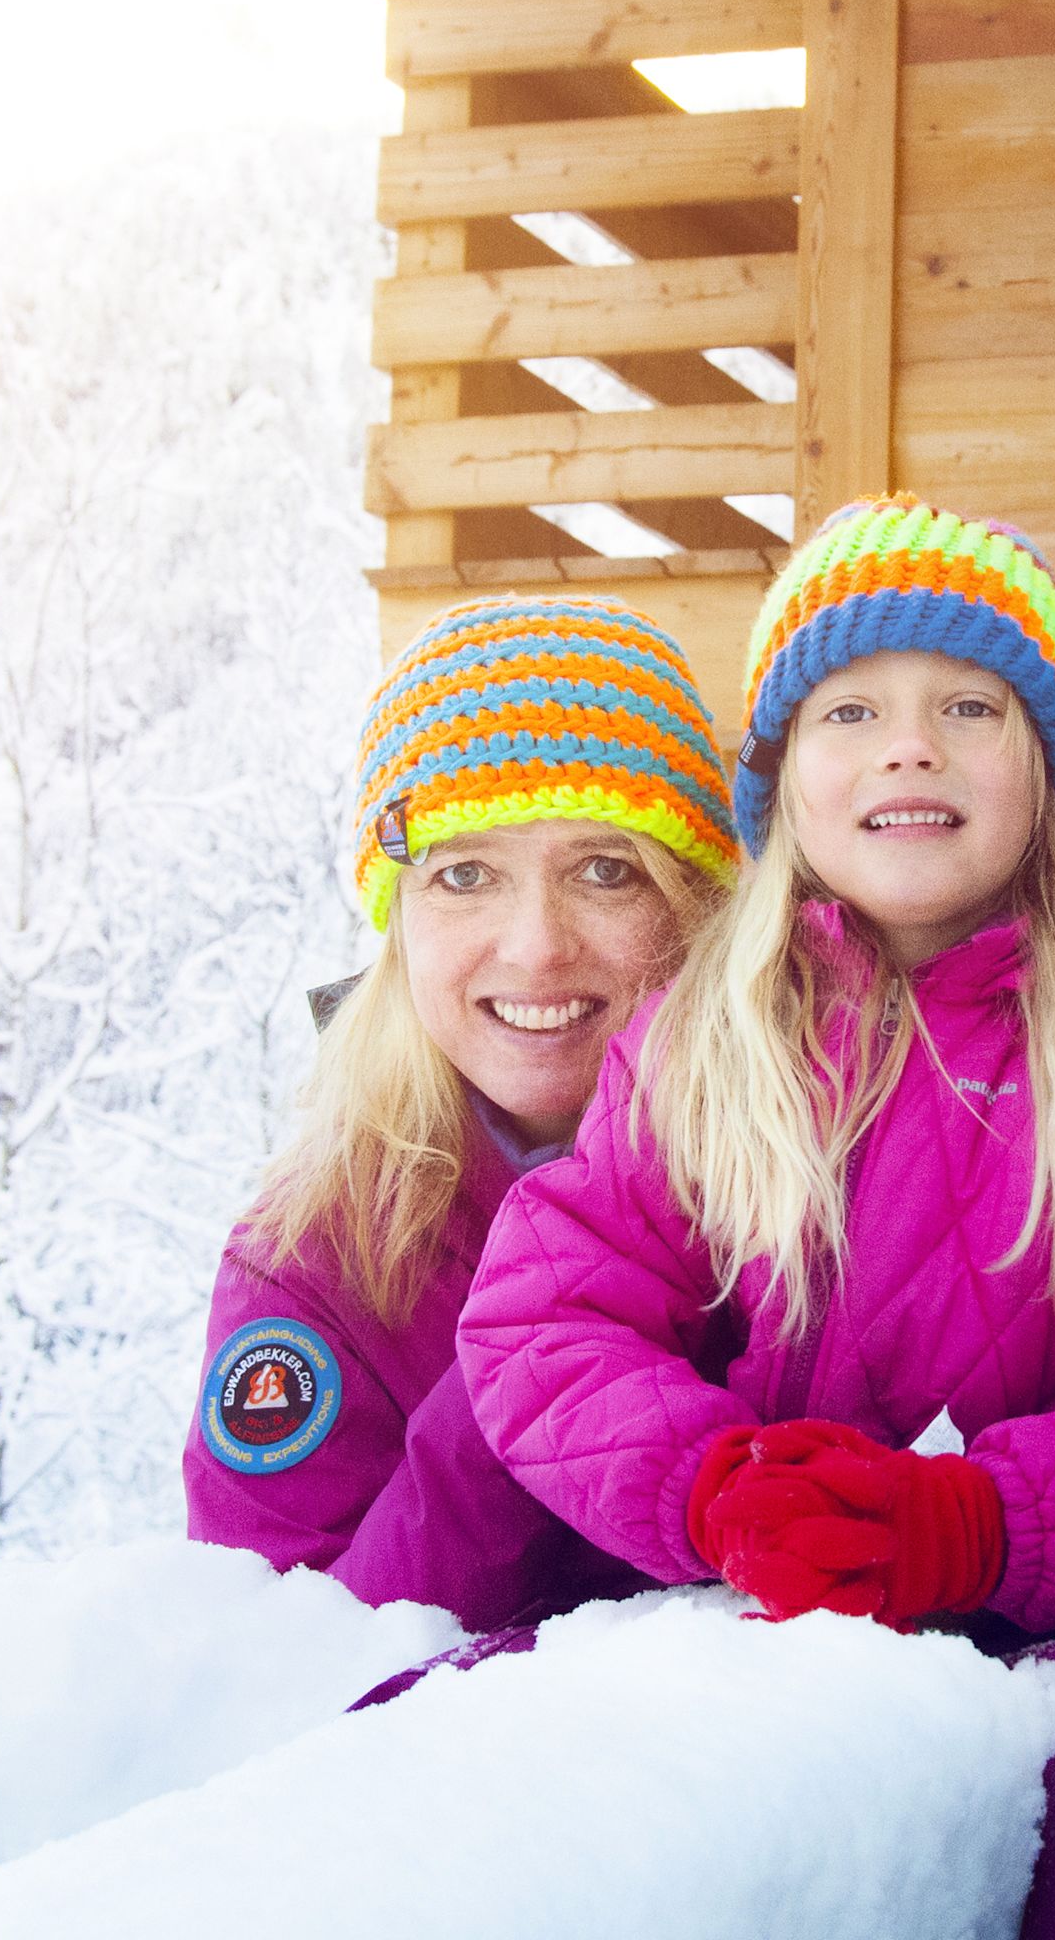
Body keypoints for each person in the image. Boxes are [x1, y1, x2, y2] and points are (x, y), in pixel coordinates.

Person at [461, 495, 1055, 1940]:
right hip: (751, 1612)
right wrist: (711, 1489)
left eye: (969, 704)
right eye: (849, 711)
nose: (909, 746)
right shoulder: (703, 1042)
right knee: (493, 1776)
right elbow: (547, 1317)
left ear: (1043, 776)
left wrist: (974, 1524)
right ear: (784, 783)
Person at [182, 595, 738, 1631]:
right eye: (466, 874)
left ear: (696, 906)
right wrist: (528, 1366)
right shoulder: (315, 1259)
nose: (535, 945)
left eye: (605, 871)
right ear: (397, 924)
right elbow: (274, 1673)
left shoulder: (815, 1184)